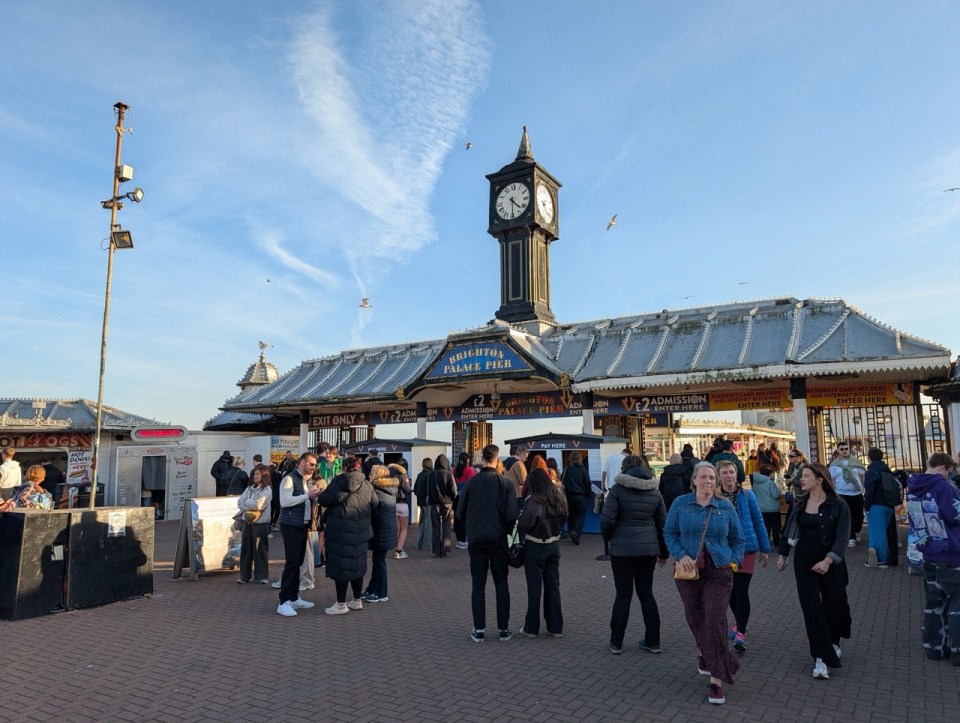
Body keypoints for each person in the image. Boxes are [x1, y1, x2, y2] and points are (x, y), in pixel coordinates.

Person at [664, 461, 744, 706]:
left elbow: (738, 539)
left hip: (719, 571)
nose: (708, 481)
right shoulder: (680, 504)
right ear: (694, 481)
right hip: (689, 571)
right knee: (695, 617)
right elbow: (670, 533)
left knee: (715, 619)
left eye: (712, 477)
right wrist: (680, 555)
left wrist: (733, 562)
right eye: (704, 477)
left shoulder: (724, 506)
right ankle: (712, 656)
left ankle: (717, 679)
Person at [776, 462, 852, 679]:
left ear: (820, 479)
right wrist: (783, 555)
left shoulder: (838, 505)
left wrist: (828, 561)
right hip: (804, 561)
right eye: (802, 475)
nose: (801, 479)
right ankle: (821, 656)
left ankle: (834, 641)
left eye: (806, 475)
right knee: (812, 609)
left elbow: (842, 538)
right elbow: (788, 529)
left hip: (831, 563)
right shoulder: (799, 503)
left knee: (834, 606)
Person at [601, 454, 668, 656]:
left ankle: (616, 642)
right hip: (647, 549)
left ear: (624, 469)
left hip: (622, 549)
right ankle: (653, 640)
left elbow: (607, 520)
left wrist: (612, 538)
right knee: (646, 593)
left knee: (623, 595)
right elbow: (663, 525)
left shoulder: (617, 491)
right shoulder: (655, 492)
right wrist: (663, 552)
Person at [456, 444, 519, 643]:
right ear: (497, 460)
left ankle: (479, 629)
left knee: (478, 584)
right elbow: (511, 515)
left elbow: (459, 513)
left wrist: (471, 526)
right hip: (499, 539)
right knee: (501, 583)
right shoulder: (505, 483)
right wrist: (507, 532)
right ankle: (503, 629)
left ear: (482, 459)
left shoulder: (471, 484)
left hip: (476, 540)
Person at [906, 452, 960, 664]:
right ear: (943, 468)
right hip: (952, 553)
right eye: (949, 471)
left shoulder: (914, 487)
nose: (949, 475)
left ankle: (933, 648)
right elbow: (955, 514)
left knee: (934, 602)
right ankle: (957, 651)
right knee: (957, 603)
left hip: (928, 552)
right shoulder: (942, 487)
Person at [716, 459, 770, 653]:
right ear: (719, 476)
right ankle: (740, 621)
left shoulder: (748, 496)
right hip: (724, 550)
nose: (729, 476)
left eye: (731, 472)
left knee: (741, 590)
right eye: (725, 473)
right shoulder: (714, 496)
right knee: (729, 591)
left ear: (737, 474)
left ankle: (740, 632)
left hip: (746, 549)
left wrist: (765, 549)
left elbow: (758, 521)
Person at [317, 456, 379, 615]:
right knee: (357, 564)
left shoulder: (338, 482)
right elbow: (375, 503)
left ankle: (340, 604)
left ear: (343, 468)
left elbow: (323, 500)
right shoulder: (366, 484)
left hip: (339, 532)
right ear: (358, 468)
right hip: (360, 531)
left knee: (341, 566)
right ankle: (357, 600)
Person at [516, 468, 567, 638]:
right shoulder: (558, 496)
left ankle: (531, 627)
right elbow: (564, 517)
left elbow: (524, 524)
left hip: (535, 546)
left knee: (534, 588)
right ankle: (556, 626)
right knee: (553, 586)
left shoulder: (533, 501)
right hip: (554, 545)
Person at [275, 452, 323, 617]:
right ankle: (284, 601)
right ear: (302, 463)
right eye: (311, 464)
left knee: (298, 562)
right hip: (291, 525)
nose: (313, 468)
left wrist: (314, 498)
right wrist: (307, 496)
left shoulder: (305, 481)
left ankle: (294, 597)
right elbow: (285, 501)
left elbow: (304, 501)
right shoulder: (289, 479)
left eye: (315, 465)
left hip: (302, 525)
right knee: (292, 563)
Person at [363, 464, 398, 603]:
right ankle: (372, 588)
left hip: (380, 531)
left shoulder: (376, 491)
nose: (369, 475)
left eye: (371, 473)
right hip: (387, 530)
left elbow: (371, 509)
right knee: (378, 561)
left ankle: (382, 593)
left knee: (380, 562)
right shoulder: (389, 490)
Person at [237, 464, 272, 584]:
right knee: (246, 549)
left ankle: (262, 576)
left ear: (264, 475)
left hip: (260, 522)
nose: (255, 476)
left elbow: (259, 505)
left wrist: (247, 502)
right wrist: (249, 502)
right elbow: (239, 502)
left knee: (260, 549)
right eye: (255, 474)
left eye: (258, 474)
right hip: (247, 521)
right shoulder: (249, 488)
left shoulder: (267, 490)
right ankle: (244, 576)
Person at [863, 447, 896, 569]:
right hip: (888, 505)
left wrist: (867, 506)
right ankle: (882, 554)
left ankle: (879, 556)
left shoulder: (871, 472)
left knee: (876, 532)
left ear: (869, 458)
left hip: (876, 505)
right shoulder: (887, 470)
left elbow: (869, 491)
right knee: (883, 531)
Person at [829, 442, 866, 547]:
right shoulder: (834, 465)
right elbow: (832, 480)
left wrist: (864, 488)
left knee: (858, 515)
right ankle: (851, 537)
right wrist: (833, 493)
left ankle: (856, 530)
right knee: (848, 516)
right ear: (838, 451)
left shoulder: (856, 462)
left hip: (856, 493)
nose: (844, 451)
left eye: (846, 448)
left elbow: (862, 476)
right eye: (842, 449)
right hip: (842, 493)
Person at [428, 454, 457, 557]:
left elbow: (428, 490)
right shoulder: (448, 474)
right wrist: (451, 498)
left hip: (434, 503)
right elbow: (453, 490)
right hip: (447, 503)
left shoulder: (431, 475)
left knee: (435, 527)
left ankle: (437, 550)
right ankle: (444, 550)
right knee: (446, 526)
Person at [561, 451, 591, 544]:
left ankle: (571, 531)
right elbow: (587, 483)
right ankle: (576, 532)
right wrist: (587, 494)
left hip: (569, 496)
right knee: (580, 515)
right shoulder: (583, 470)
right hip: (581, 496)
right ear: (580, 458)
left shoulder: (567, 469)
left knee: (571, 515)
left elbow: (563, 482)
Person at [750, 464, 783, 547]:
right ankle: (777, 545)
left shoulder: (755, 483)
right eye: (773, 473)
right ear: (770, 473)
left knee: (765, 529)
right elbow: (775, 495)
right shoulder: (770, 483)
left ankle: (766, 545)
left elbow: (753, 495)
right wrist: (779, 491)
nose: (774, 475)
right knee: (776, 529)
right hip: (773, 510)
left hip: (761, 509)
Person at [453, 452, 476, 549]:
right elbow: (472, 484)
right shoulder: (469, 470)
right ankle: (464, 540)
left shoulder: (454, 470)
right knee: (465, 519)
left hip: (455, 497)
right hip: (465, 497)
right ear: (467, 460)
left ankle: (459, 540)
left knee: (457, 518)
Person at [413, 457, 434, 551]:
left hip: (420, 501)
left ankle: (419, 545)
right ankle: (427, 546)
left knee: (421, 524)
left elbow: (415, 489)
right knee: (428, 524)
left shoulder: (420, 474)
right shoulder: (430, 475)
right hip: (427, 502)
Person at [392, 462, 411, 559]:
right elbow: (408, 489)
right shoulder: (404, 476)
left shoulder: (392, 477)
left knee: (397, 528)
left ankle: (396, 547)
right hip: (403, 504)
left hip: (393, 504)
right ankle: (399, 551)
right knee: (404, 529)